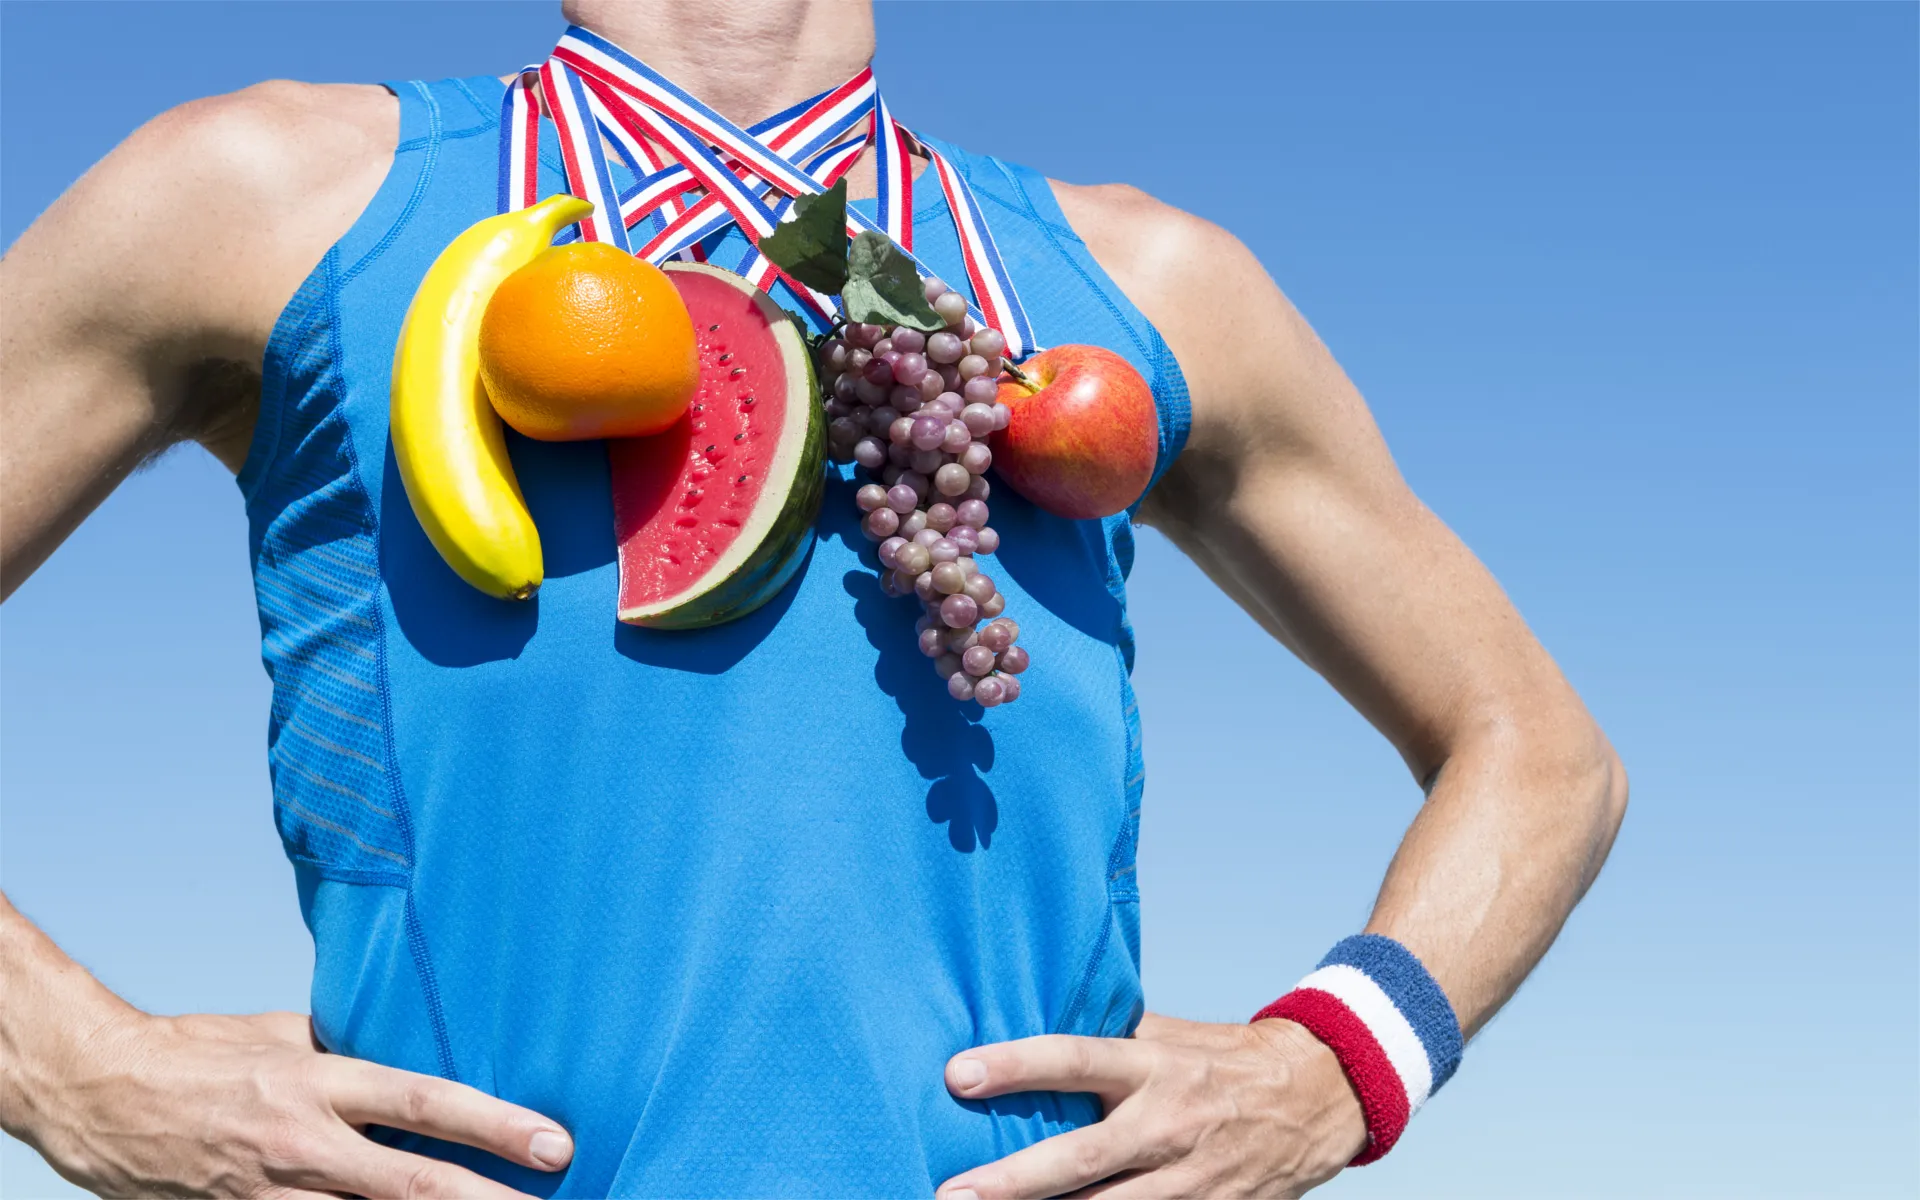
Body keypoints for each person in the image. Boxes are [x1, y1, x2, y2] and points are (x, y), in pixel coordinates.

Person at [0, 1, 1627, 1196]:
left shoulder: (1146, 284)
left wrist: (1332, 1068)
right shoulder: (257, 202)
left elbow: (1540, 754)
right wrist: (68, 1064)